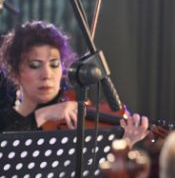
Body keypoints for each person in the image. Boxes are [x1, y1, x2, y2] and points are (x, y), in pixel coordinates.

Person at [0, 21, 148, 141]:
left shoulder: (72, 118)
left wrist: (126, 143)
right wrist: (43, 114)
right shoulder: (4, 121)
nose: (47, 74)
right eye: (34, 65)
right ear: (15, 72)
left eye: (54, 64)